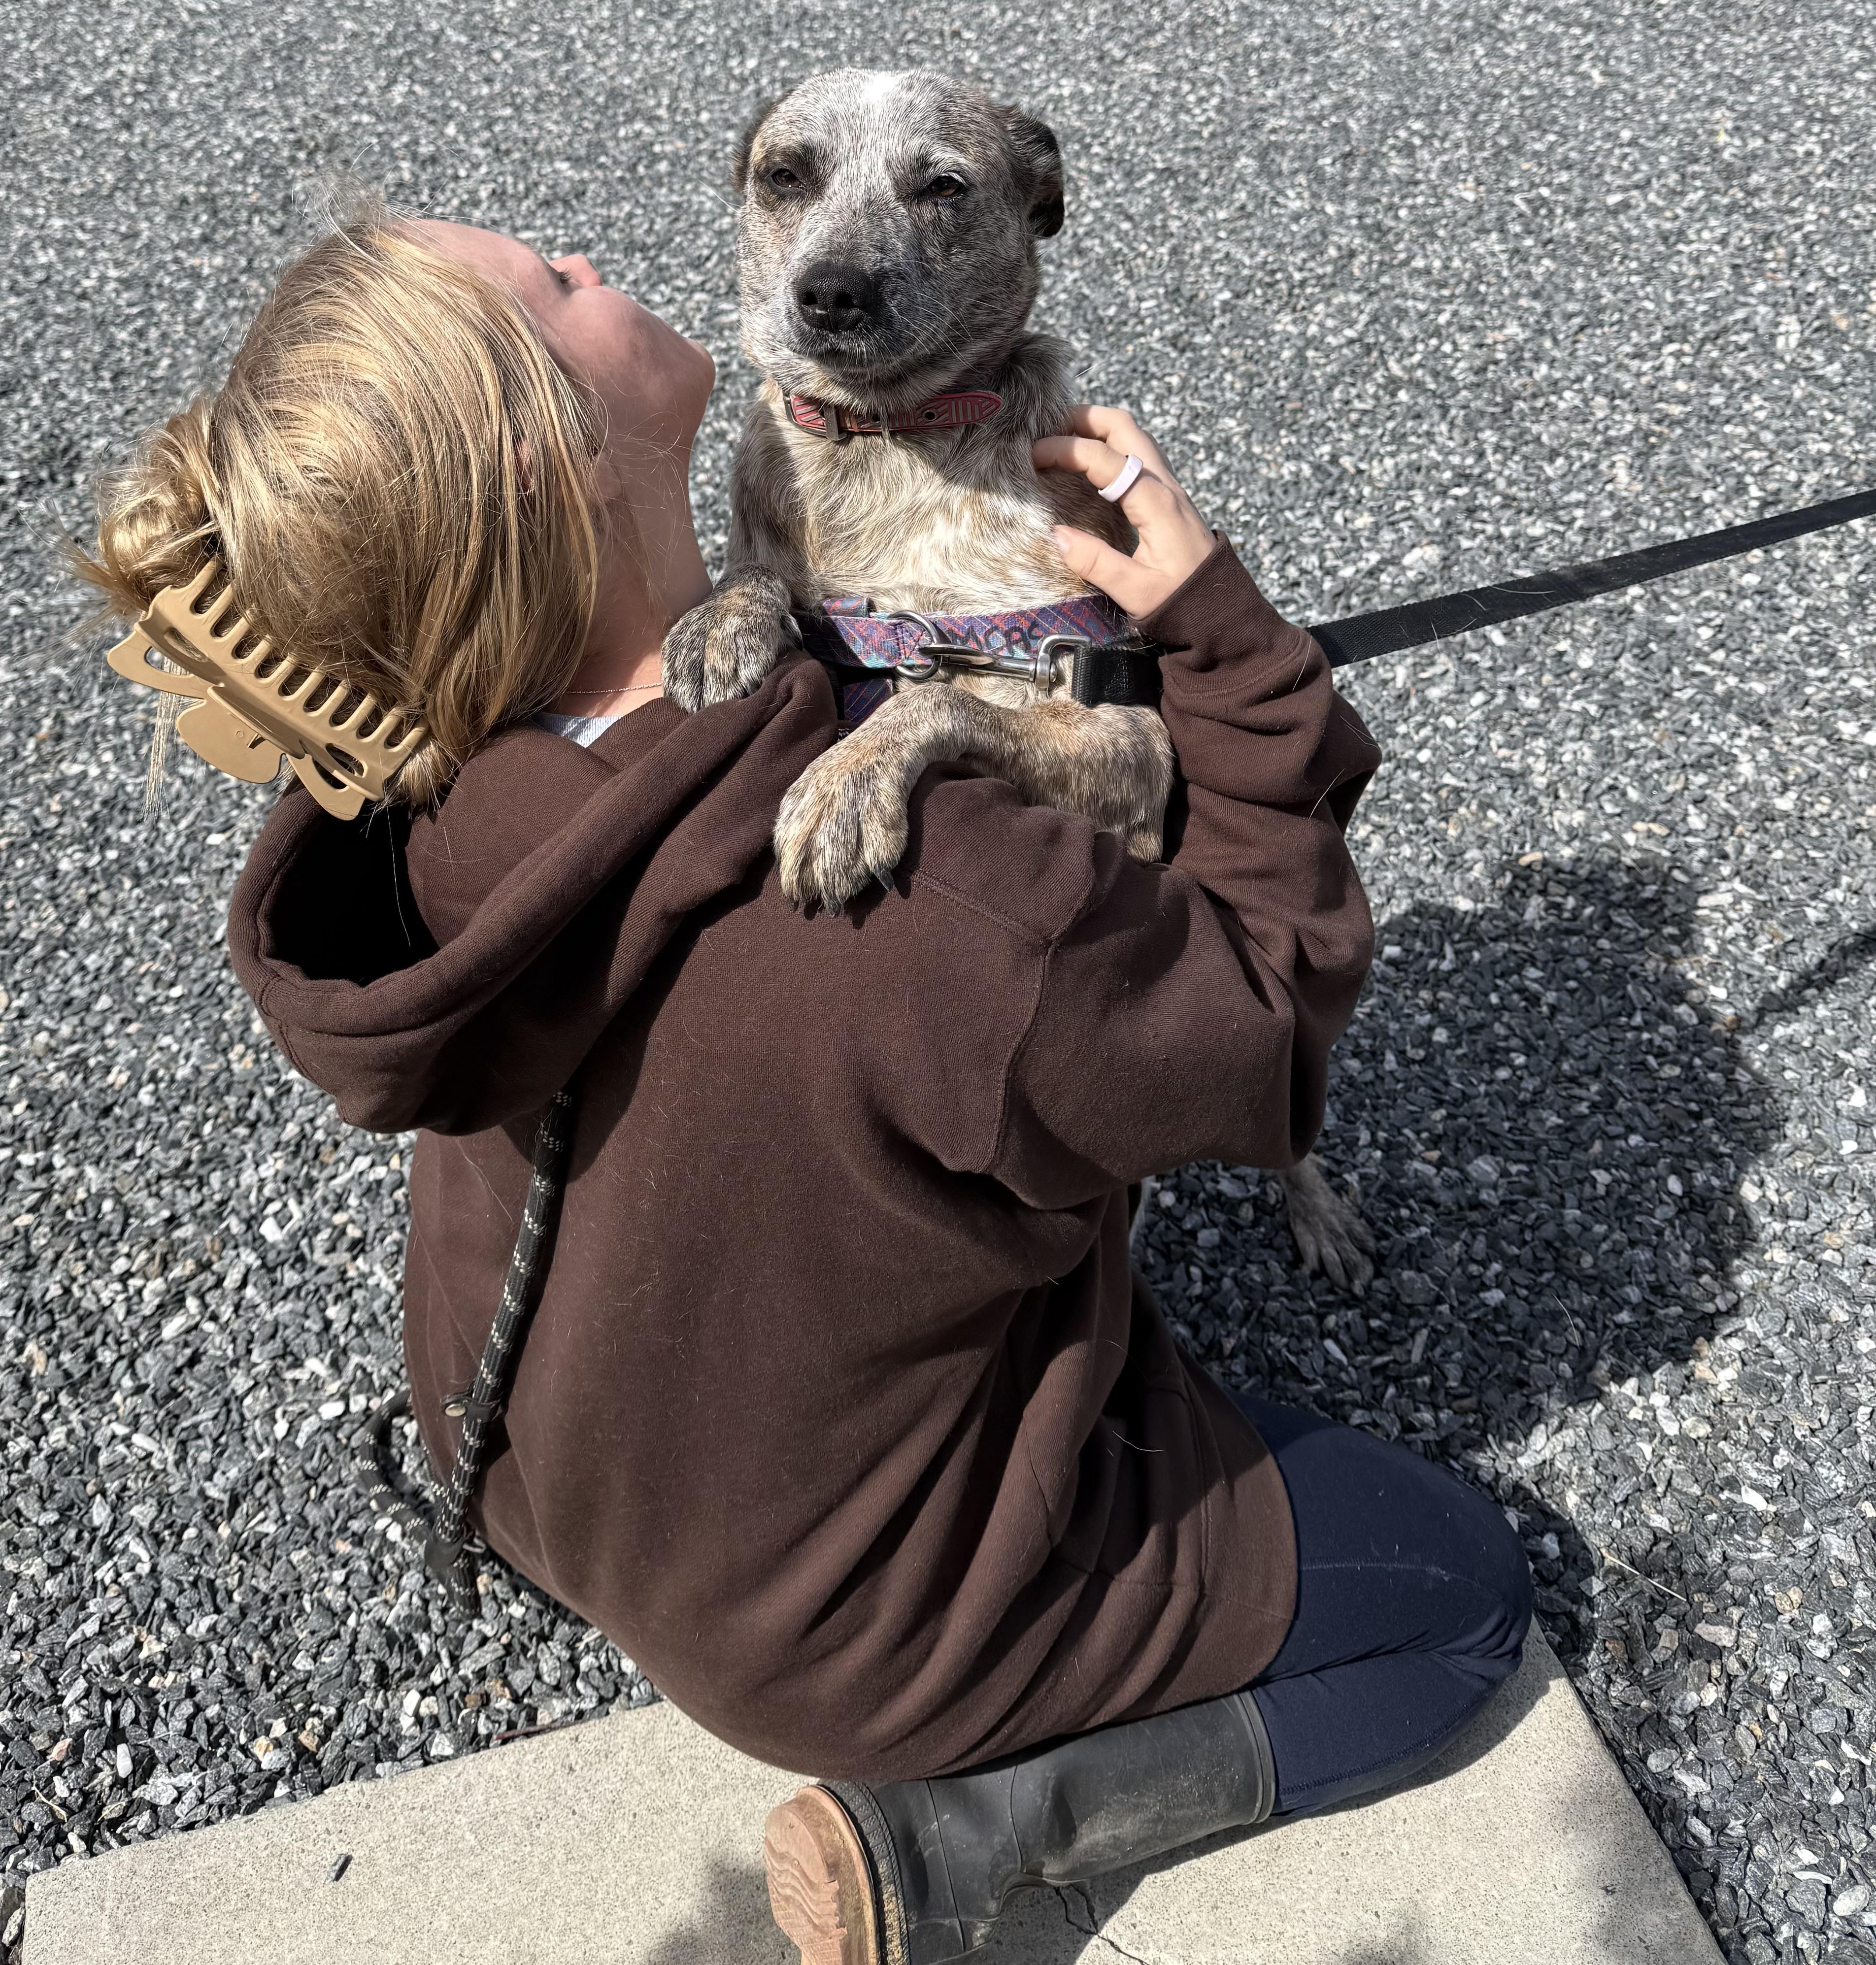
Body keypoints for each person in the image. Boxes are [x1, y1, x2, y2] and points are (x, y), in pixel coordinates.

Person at [77, 200, 1533, 1965]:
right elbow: (1272, 1036)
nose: (594, 256)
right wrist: (1225, 652)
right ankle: (971, 1836)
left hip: (545, 1492)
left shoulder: (424, 781)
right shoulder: (951, 904)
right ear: (552, 449)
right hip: (869, 1636)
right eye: (554, 279)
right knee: (1462, 1600)